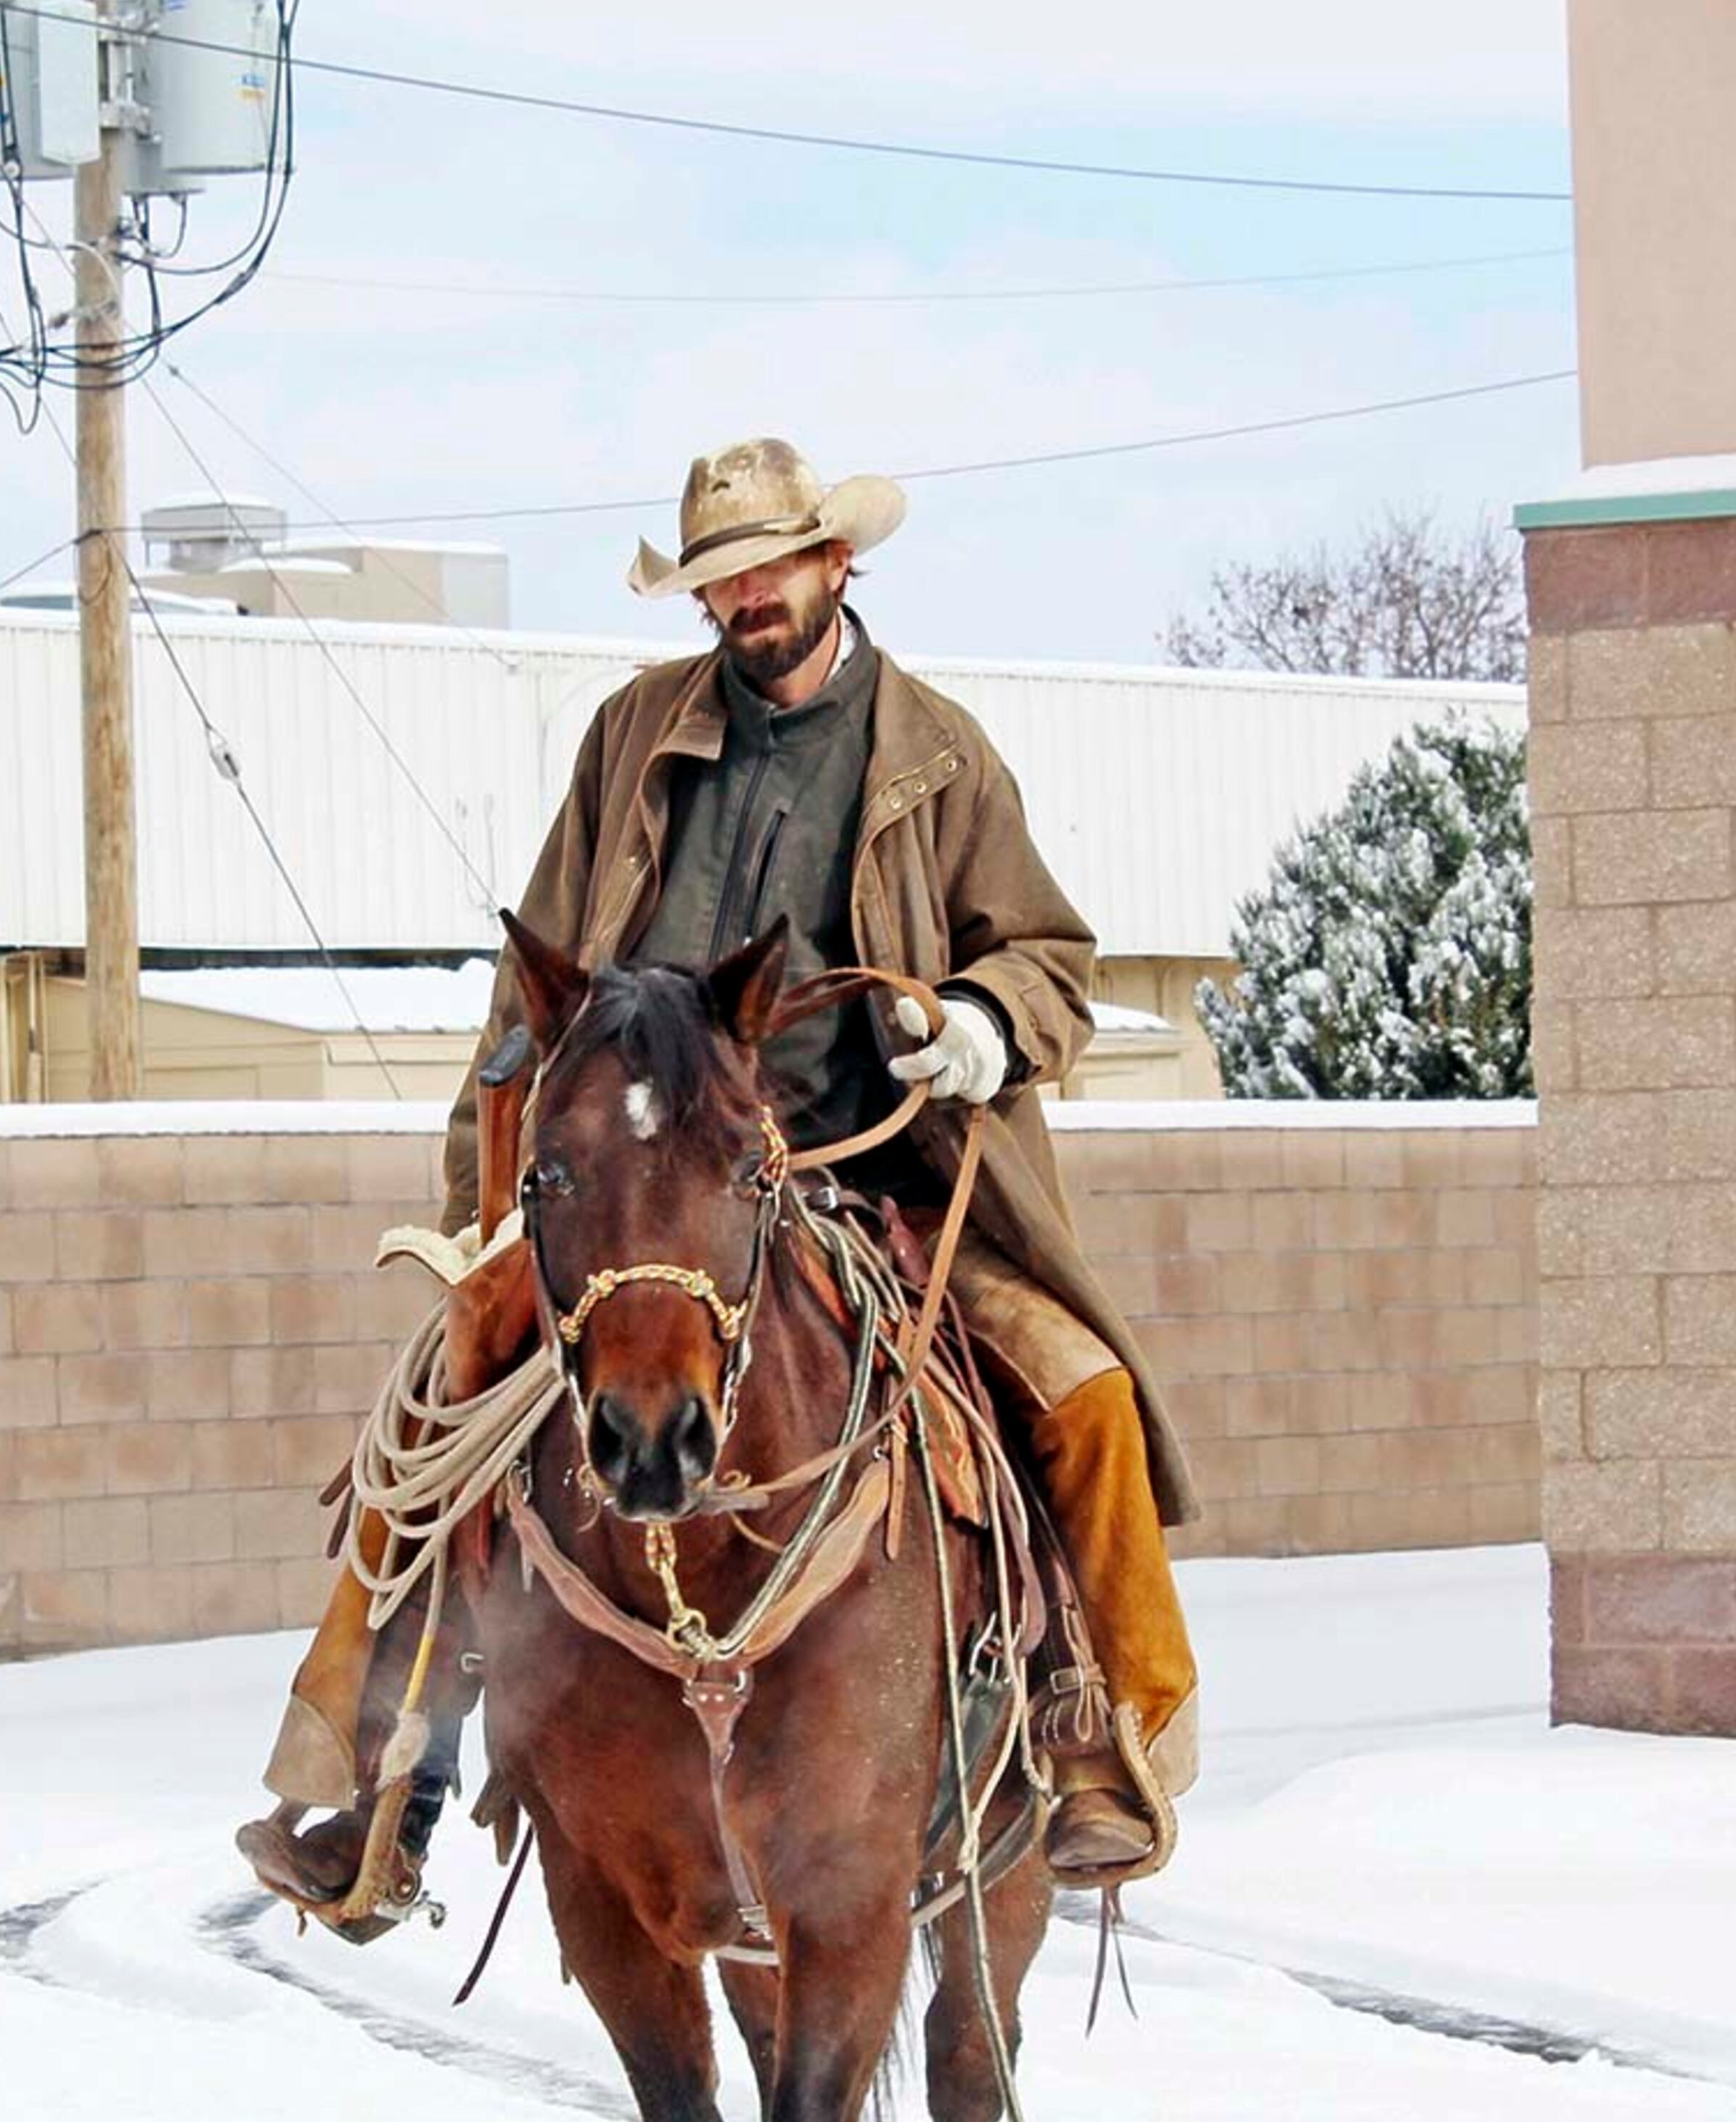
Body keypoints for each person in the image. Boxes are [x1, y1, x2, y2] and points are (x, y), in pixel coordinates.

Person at [250, 436, 1198, 1897]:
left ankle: (1096, 1728)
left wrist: (989, 1024)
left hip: (871, 1171)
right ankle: (381, 1777)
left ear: (836, 564)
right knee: (444, 1410)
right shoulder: (636, 736)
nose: (748, 596)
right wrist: (486, 1208)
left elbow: (1050, 954)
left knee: (1083, 1397)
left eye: (770, 565)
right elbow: (536, 991)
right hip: (640, 1190)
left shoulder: (935, 755)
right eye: (719, 578)